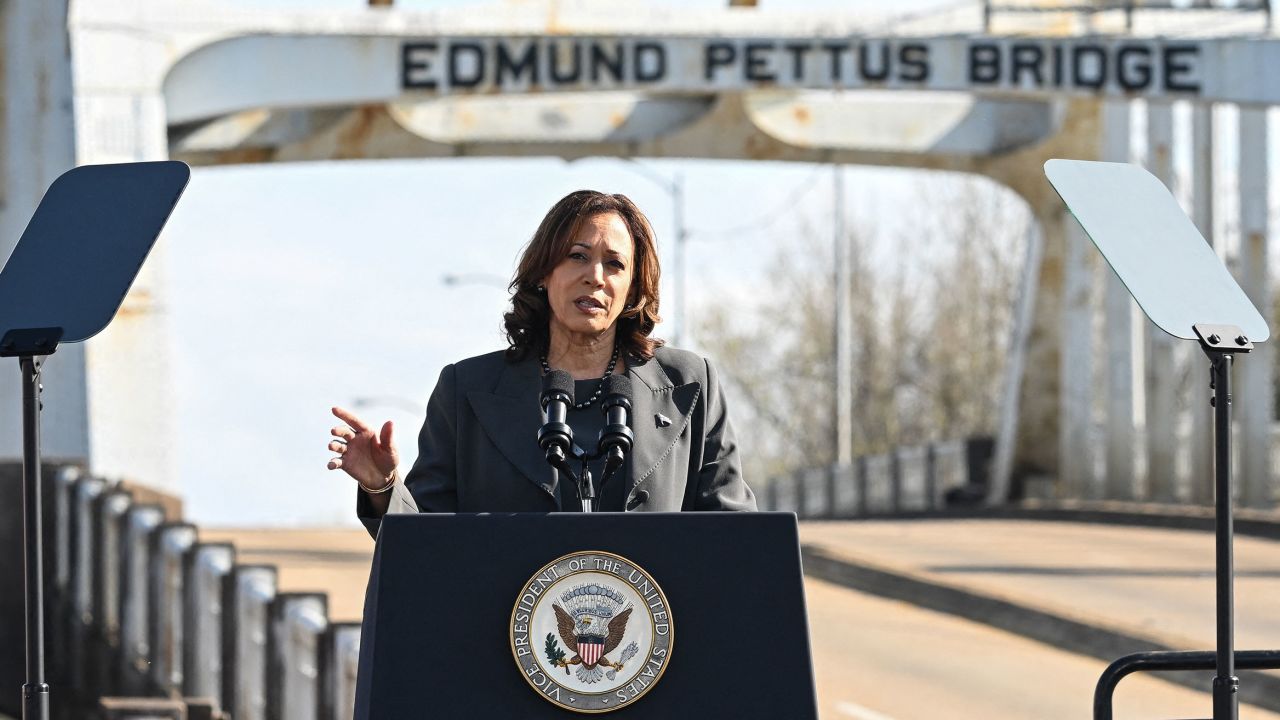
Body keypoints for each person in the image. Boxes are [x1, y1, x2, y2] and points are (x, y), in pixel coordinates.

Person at [326, 190, 755, 538]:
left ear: (632, 286)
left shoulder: (690, 385)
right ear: (543, 272)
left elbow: (737, 536)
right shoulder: (467, 390)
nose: (596, 276)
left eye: (615, 264)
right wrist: (382, 487)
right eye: (578, 256)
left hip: (658, 641)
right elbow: (428, 547)